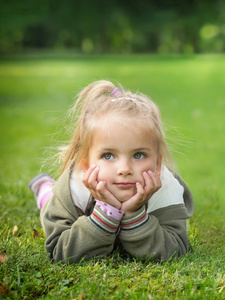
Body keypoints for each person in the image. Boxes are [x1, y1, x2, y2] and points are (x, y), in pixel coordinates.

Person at [29, 80, 194, 264]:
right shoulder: (73, 188)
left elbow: (175, 249)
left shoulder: (166, 187)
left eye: (139, 155)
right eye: (108, 156)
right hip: (71, 203)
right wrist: (107, 212)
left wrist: (133, 214)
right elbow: (61, 251)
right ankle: (44, 189)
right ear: (86, 167)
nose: (124, 169)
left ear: (157, 164)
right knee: (49, 200)